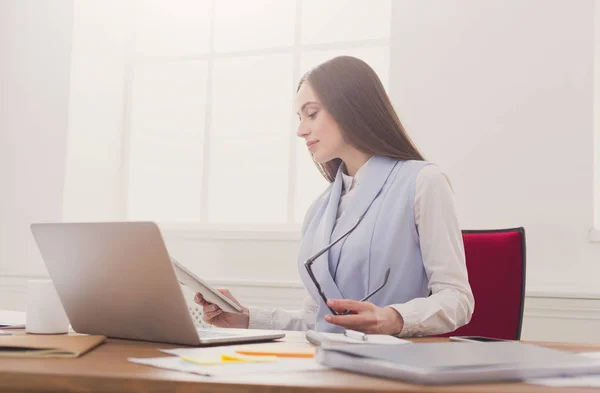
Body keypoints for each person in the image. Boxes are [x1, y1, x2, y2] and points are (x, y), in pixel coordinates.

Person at [195, 56, 474, 336]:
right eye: (299, 117)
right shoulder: (320, 210)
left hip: (395, 365)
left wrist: (394, 318)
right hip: (328, 364)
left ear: (350, 108)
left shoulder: (423, 182)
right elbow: (317, 319)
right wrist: (245, 319)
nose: (301, 130)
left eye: (312, 114)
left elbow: (457, 298)